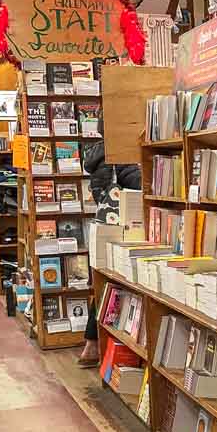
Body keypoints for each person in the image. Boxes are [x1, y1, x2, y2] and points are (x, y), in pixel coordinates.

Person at [78, 143, 140, 365]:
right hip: (124, 231)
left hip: (105, 231)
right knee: (113, 285)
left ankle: (91, 344)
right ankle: (95, 344)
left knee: (103, 284)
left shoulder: (98, 158)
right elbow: (140, 186)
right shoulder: (120, 158)